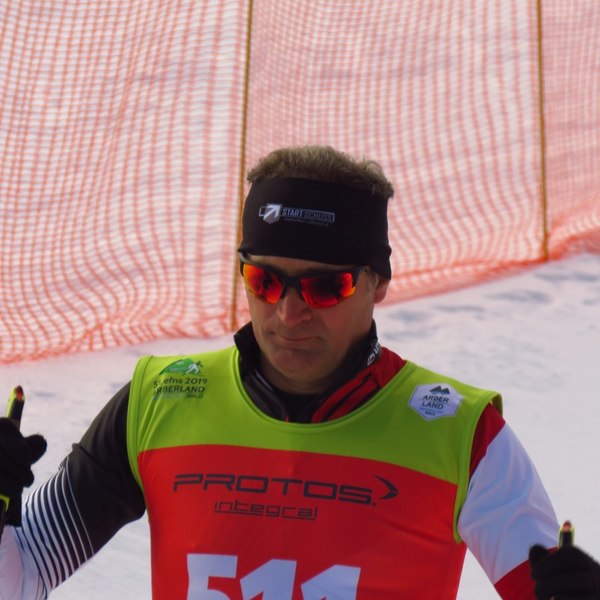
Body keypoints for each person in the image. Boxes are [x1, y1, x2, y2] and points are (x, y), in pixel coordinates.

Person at [0, 145, 598, 599]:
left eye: (325, 287)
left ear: (378, 283)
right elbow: (20, 578)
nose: (289, 313)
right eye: (264, 281)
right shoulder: (160, 402)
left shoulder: (461, 434)